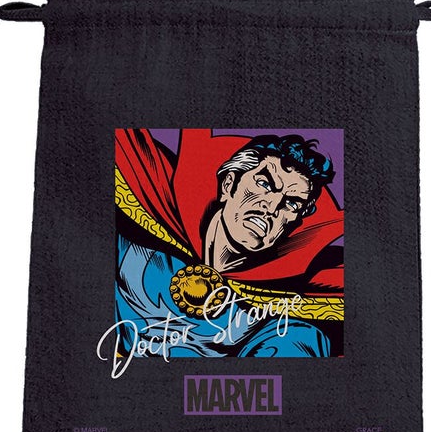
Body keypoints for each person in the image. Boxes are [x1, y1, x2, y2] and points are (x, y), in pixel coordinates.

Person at [114, 129, 343, 358]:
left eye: (291, 204)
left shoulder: (286, 324)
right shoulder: (139, 237)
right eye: (264, 184)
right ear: (228, 184)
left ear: (293, 224)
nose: (272, 207)